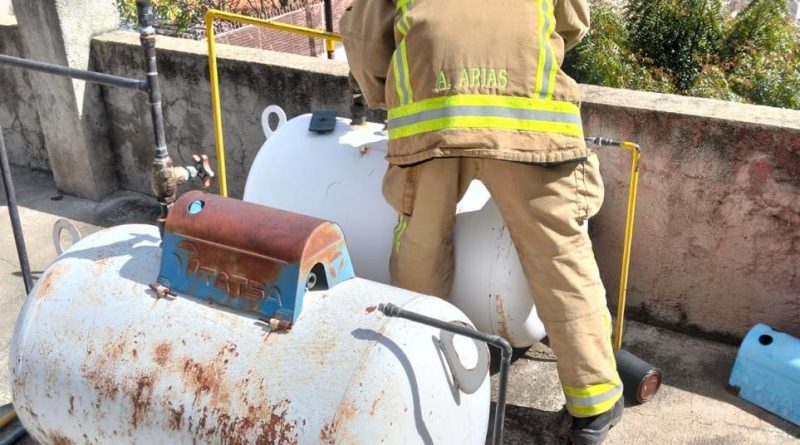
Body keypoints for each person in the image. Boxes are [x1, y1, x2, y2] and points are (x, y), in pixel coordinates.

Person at [340, 1, 622, 444]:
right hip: (529, 112)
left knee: (422, 243)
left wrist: (383, 93)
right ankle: (596, 406)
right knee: (560, 254)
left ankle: (417, 372)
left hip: (435, 112)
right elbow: (572, 20)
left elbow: (362, 36)